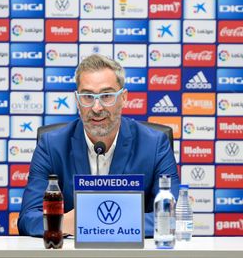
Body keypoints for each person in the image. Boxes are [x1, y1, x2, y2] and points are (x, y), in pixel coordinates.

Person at [18, 54, 179, 237]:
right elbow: (28, 219)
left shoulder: (155, 144)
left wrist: (95, 221)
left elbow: (171, 217)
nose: (97, 107)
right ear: (77, 100)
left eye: (107, 95)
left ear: (124, 98)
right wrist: (66, 223)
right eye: (87, 96)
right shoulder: (52, 145)